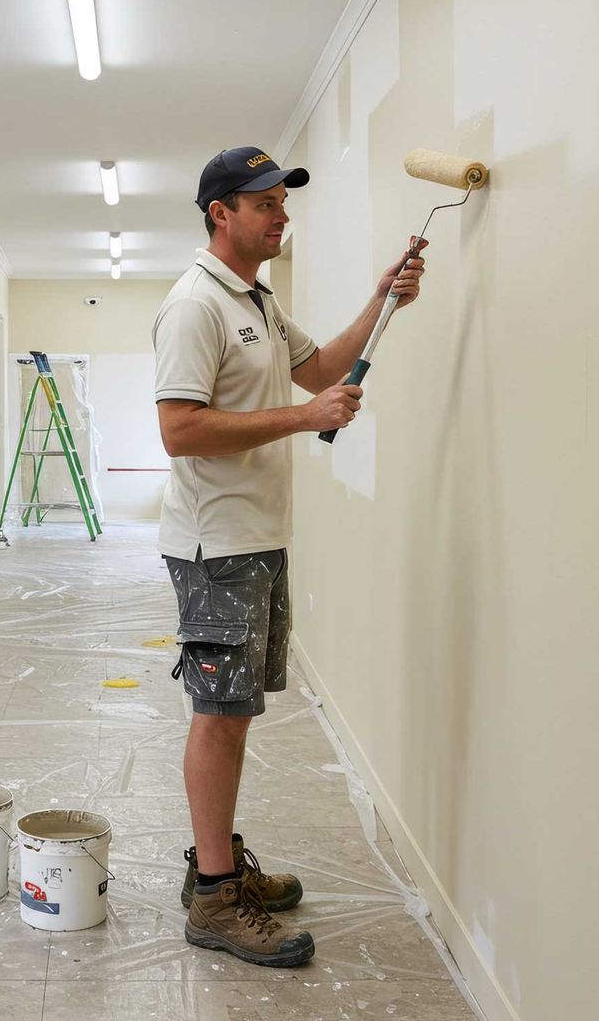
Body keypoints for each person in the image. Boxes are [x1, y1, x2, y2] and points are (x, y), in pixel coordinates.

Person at [153, 146, 425, 967]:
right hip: (216, 546)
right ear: (220, 214)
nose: (281, 215)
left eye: (281, 202)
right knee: (220, 717)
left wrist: (383, 302)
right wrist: (304, 419)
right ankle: (212, 897)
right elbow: (179, 429)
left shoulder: (257, 301)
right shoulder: (196, 305)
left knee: (236, 714)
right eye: (265, 203)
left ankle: (222, 867)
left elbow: (319, 367)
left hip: (255, 539)